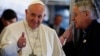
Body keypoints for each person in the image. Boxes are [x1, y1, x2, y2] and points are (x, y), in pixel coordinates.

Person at [0, 0, 65, 56]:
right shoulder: (10, 29)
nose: (35, 20)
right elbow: (2, 52)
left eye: (39, 16)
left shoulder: (51, 33)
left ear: (44, 16)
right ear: (26, 12)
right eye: (33, 15)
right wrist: (17, 45)